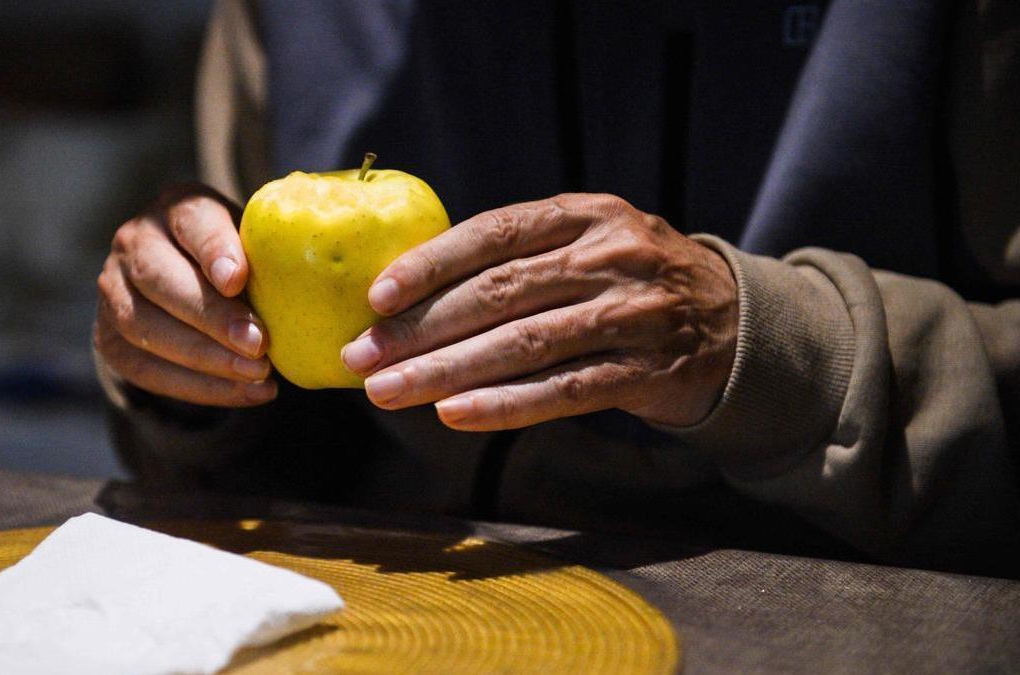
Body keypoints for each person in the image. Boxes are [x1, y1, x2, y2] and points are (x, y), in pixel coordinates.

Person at [93, 0, 1019, 576]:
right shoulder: (297, 16)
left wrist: (770, 348)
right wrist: (185, 366)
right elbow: (257, 453)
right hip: (396, 609)